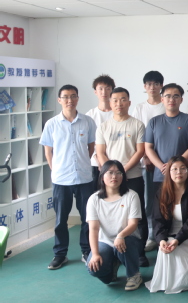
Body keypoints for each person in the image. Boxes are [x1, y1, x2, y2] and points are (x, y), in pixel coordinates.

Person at [40, 84, 97, 270]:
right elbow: (48, 151)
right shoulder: (51, 124)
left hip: (84, 178)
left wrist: (82, 163)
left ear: (78, 98)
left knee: (87, 217)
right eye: (65, 97)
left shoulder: (88, 122)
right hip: (61, 179)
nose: (69, 100)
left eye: (73, 96)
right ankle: (60, 254)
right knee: (60, 219)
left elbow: (91, 147)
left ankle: (86, 251)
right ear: (59, 100)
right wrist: (55, 169)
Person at [95, 87, 148, 266]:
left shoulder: (137, 124)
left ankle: (140, 253)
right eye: (115, 100)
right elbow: (100, 152)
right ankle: (113, 250)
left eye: (123, 99)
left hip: (133, 176)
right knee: (112, 215)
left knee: (138, 215)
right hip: (109, 181)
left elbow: (140, 151)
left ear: (129, 102)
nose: (119, 103)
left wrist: (122, 171)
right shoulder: (104, 126)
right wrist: (112, 173)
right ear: (110, 103)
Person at [144, 84, 188, 248]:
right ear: (162, 99)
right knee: (160, 210)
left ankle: (187, 238)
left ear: (181, 99)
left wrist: (176, 165)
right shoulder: (154, 122)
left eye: (176, 96)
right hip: (161, 174)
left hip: (184, 175)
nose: (171, 99)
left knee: (185, 208)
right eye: (167, 96)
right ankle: (158, 238)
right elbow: (148, 147)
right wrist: (162, 166)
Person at [146, 156, 188, 293]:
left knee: (187, 275)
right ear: (168, 172)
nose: (178, 172)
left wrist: (177, 240)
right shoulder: (161, 194)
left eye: (182, 169)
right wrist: (161, 240)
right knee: (166, 251)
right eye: (174, 169)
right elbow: (157, 221)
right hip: (169, 238)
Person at [86, 161, 143, 291]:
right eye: (110, 173)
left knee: (125, 243)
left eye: (118, 173)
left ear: (123, 177)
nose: (114, 176)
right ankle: (111, 270)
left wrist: (120, 235)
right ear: (102, 176)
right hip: (105, 241)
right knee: (94, 268)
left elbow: (133, 224)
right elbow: (93, 229)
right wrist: (95, 254)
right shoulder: (94, 199)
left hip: (128, 239)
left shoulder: (131, 196)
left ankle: (134, 274)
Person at [131, 70, 165, 253]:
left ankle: (163, 233)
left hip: (164, 162)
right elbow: (138, 134)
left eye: (156, 84)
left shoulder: (166, 104)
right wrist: (145, 156)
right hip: (145, 161)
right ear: (145, 87)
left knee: (164, 199)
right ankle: (150, 236)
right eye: (149, 84)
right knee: (147, 200)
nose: (152, 87)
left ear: (161, 86)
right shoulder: (140, 108)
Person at [86, 74, 115, 191]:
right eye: (100, 89)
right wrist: (97, 156)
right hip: (95, 164)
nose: (104, 92)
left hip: (115, 162)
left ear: (112, 91)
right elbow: (87, 141)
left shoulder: (117, 113)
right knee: (96, 195)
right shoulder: (90, 115)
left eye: (108, 88)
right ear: (95, 92)